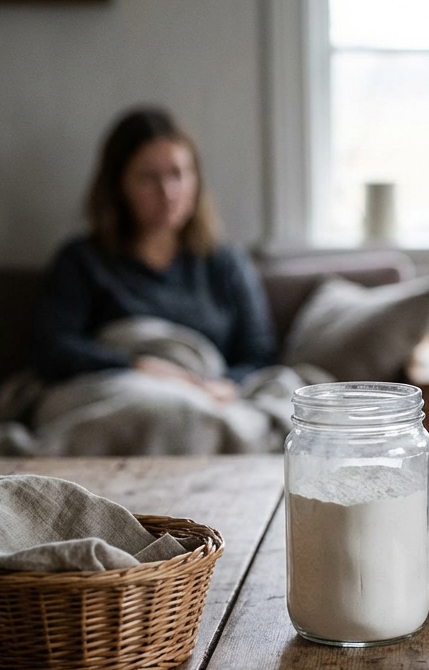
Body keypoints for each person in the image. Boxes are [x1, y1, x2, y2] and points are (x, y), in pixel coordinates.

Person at [30, 106, 279, 452]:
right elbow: (53, 350)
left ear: (196, 180)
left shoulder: (225, 263)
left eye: (179, 174)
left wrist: (225, 386)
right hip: (123, 393)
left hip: (206, 395)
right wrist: (141, 366)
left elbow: (260, 356)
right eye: (148, 178)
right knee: (165, 410)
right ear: (118, 186)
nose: (167, 191)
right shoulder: (83, 261)